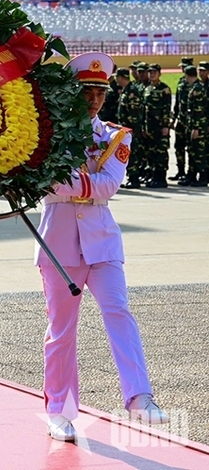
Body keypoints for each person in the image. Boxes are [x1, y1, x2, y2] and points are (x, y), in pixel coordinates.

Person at [38, 52, 168, 443]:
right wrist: (82, 188)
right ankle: (58, 411)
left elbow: (108, 185)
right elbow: (46, 184)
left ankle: (139, 395)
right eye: (85, 90)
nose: (93, 98)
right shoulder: (48, 134)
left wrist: (71, 185)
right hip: (59, 244)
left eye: (99, 91)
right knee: (61, 330)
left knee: (119, 311)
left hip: (103, 242)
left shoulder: (114, 136)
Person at [141, 64, 171, 188]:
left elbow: (167, 108)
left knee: (161, 152)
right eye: (150, 72)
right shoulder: (147, 89)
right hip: (150, 127)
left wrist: (166, 125)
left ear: (159, 73)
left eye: (154, 72)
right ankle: (154, 176)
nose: (151, 74)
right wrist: (143, 126)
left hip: (160, 127)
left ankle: (161, 177)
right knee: (151, 152)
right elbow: (143, 109)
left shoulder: (164, 89)